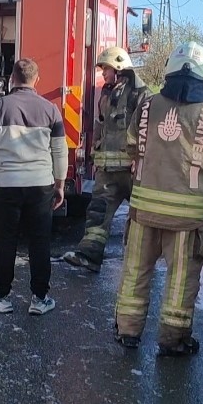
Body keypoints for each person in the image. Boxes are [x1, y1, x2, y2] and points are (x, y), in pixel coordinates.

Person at [114, 42, 203, 354]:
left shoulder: (146, 107)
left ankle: (127, 331)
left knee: (134, 272)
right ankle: (173, 339)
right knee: (181, 279)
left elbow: (130, 146)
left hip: (143, 211)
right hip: (187, 217)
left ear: (169, 71)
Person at [0, 58, 67, 316]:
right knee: (40, 242)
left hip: (6, 186)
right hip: (40, 185)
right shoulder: (51, 110)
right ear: (36, 80)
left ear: (11, 79)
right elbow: (59, 151)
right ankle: (39, 299)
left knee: (5, 241)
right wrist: (59, 184)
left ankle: (1, 296)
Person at [62, 47, 151, 273]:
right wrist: (95, 154)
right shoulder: (107, 94)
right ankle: (89, 255)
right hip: (108, 171)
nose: (103, 74)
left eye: (106, 69)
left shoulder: (141, 95)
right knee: (98, 211)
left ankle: (143, 262)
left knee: (143, 217)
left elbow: (147, 130)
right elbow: (102, 127)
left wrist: (140, 158)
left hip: (133, 170)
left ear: (119, 68)